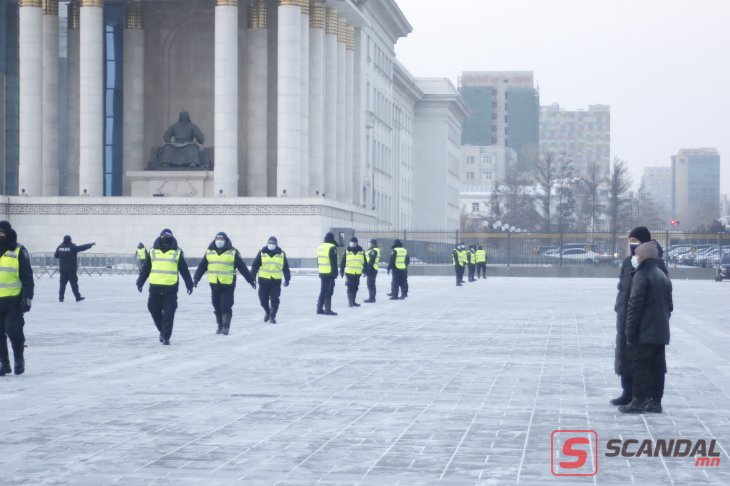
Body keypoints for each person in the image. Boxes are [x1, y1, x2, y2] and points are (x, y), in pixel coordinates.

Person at [612, 226, 668, 406]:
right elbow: (622, 287)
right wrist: (620, 306)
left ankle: (642, 395)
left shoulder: (656, 264)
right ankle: (628, 391)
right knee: (625, 354)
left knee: (643, 359)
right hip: (627, 314)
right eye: (630, 241)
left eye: (635, 241)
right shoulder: (629, 261)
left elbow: (663, 295)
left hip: (644, 319)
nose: (632, 244)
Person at [136, 229, 194, 345]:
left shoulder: (177, 253)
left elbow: (184, 270)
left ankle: (166, 336)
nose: (165, 239)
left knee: (168, 313)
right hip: (155, 288)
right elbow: (146, 269)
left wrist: (189, 284)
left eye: (167, 237)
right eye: (163, 236)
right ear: (160, 237)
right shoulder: (152, 252)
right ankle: (162, 331)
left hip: (170, 289)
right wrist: (140, 282)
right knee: (153, 309)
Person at [193, 232, 256, 334]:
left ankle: (226, 327)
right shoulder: (209, 252)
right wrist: (196, 278)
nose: (219, 241)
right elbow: (202, 266)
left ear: (226, 240)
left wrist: (250, 280)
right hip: (214, 283)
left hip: (228, 284)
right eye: (217, 239)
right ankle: (220, 325)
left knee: (226, 305)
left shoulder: (233, 252)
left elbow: (242, 267)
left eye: (221, 239)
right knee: (216, 305)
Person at [0, 221, 33, 376]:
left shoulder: (19, 250)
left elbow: (27, 278)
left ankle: (19, 359)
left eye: (2, 233)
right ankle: (4, 364)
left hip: (13, 301)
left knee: (13, 331)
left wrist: (27, 298)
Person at [251, 236, 291, 324]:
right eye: (270, 243)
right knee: (262, 300)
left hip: (275, 281)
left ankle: (272, 316)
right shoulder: (262, 252)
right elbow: (255, 266)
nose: (271, 244)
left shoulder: (281, 254)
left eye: (273, 243)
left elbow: (286, 268)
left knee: (275, 299)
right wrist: (252, 278)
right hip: (263, 281)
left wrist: (287, 279)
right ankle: (268, 312)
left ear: (276, 244)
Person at [54, 235, 95, 302]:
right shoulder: (72, 247)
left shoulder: (60, 247)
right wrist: (89, 245)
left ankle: (61, 298)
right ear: (70, 240)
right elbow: (81, 248)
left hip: (63, 270)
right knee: (74, 285)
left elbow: (56, 255)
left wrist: (63, 255)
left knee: (62, 285)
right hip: (71, 270)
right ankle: (77, 297)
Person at [340, 237, 366, 307]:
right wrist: (341, 271)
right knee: (350, 287)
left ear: (356, 243)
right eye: (351, 243)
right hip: (349, 273)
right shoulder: (347, 251)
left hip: (357, 273)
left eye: (354, 243)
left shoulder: (361, 251)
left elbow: (365, 262)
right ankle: (350, 302)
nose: (352, 244)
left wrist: (365, 270)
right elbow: (343, 262)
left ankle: (353, 301)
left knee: (355, 287)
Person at [317, 232, 339, 315]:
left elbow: (318, 260)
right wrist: (335, 273)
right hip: (329, 273)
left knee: (322, 290)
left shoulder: (320, 247)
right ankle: (327, 309)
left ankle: (319, 308)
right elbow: (334, 262)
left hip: (322, 272)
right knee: (328, 291)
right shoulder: (332, 247)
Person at [363, 239, 380, 303]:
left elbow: (371, 261)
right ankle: (372, 297)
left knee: (371, 284)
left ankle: (372, 298)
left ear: (373, 244)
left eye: (370, 243)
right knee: (370, 284)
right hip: (371, 268)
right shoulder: (371, 250)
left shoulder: (374, 251)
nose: (369, 245)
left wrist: (367, 269)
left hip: (372, 269)